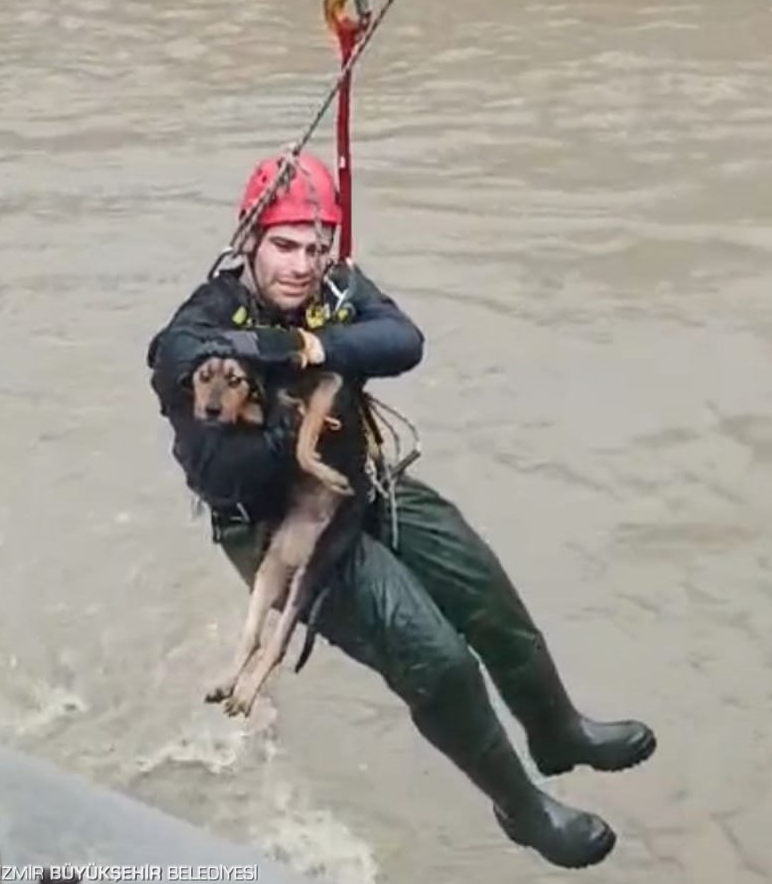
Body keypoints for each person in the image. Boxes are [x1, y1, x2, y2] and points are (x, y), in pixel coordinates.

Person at [147, 150, 656, 870]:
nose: (300, 265)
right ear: (249, 241)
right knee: (436, 658)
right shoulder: (198, 335)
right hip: (276, 524)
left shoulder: (332, 290)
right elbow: (213, 469)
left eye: (315, 248)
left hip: (358, 480)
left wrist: (303, 346)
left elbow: (400, 341)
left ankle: (558, 730)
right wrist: (288, 419)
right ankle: (522, 805)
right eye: (284, 246)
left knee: (484, 592)